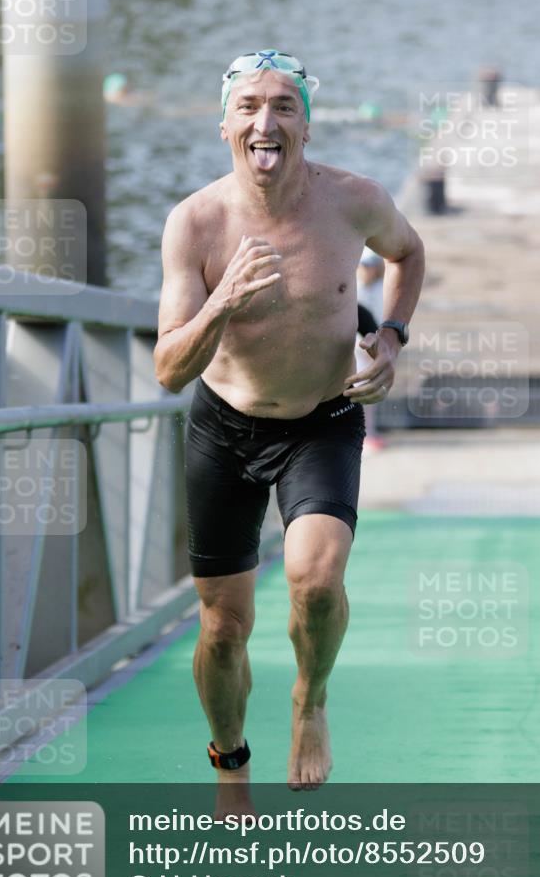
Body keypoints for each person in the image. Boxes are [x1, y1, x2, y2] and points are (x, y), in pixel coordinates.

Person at [153, 49, 424, 816]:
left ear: (306, 125)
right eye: (248, 107)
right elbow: (168, 371)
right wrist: (220, 303)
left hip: (322, 422)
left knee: (315, 580)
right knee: (223, 627)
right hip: (224, 429)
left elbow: (407, 252)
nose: (264, 122)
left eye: (283, 106)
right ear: (225, 127)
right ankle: (230, 762)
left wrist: (391, 337)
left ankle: (310, 699)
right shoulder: (195, 223)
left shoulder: (354, 200)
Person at [356, 248, 386, 451]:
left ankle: (369, 433)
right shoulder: (354, 289)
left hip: (373, 350)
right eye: (364, 265)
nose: (367, 270)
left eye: (371, 266)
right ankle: (362, 435)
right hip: (356, 351)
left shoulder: (380, 289)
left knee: (370, 393)